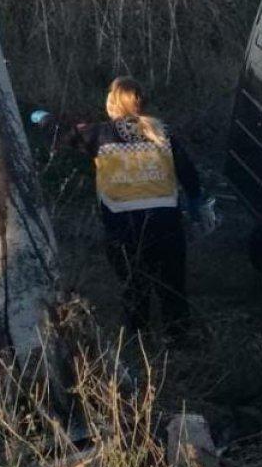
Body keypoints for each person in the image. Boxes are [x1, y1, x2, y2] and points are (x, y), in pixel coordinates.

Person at [54, 77, 204, 344]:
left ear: (112, 103)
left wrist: (43, 120)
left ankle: (139, 338)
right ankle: (177, 335)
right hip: (166, 220)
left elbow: (63, 136)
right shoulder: (163, 132)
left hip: (123, 223)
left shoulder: (98, 134)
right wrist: (195, 205)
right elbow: (189, 174)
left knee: (134, 283)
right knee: (171, 283)